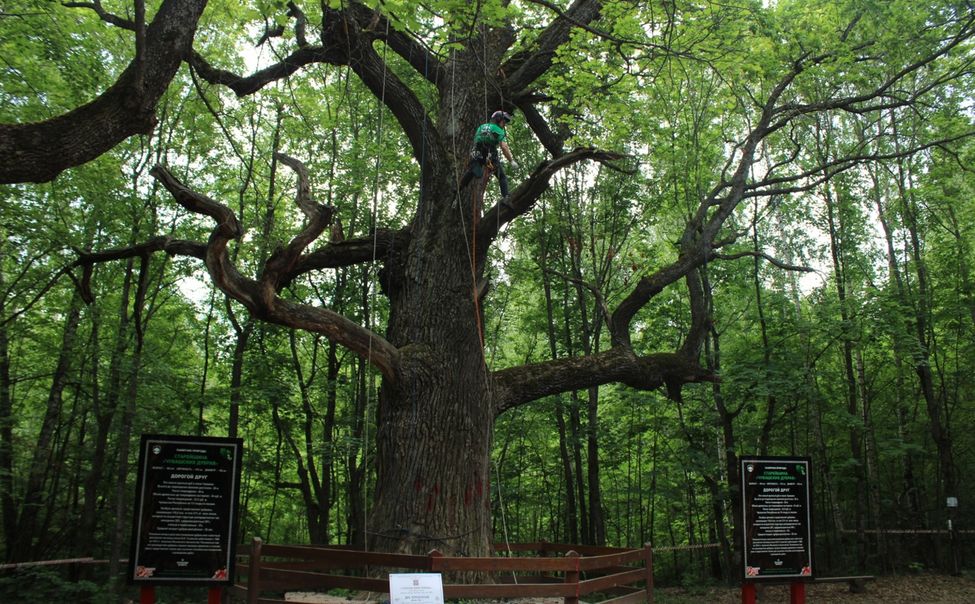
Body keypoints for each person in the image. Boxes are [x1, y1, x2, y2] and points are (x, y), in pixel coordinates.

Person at [458, 110, 517, 204]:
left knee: (473, 172)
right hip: (489, 153)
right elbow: (504, 147)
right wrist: (511, 160)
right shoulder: (498, 130)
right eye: (503, 121)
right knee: (502, 176)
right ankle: (506, 198)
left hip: (476, 151)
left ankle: (459, 187)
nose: (504, 124)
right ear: (498, 119)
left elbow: (477, 139)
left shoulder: (481, 127)